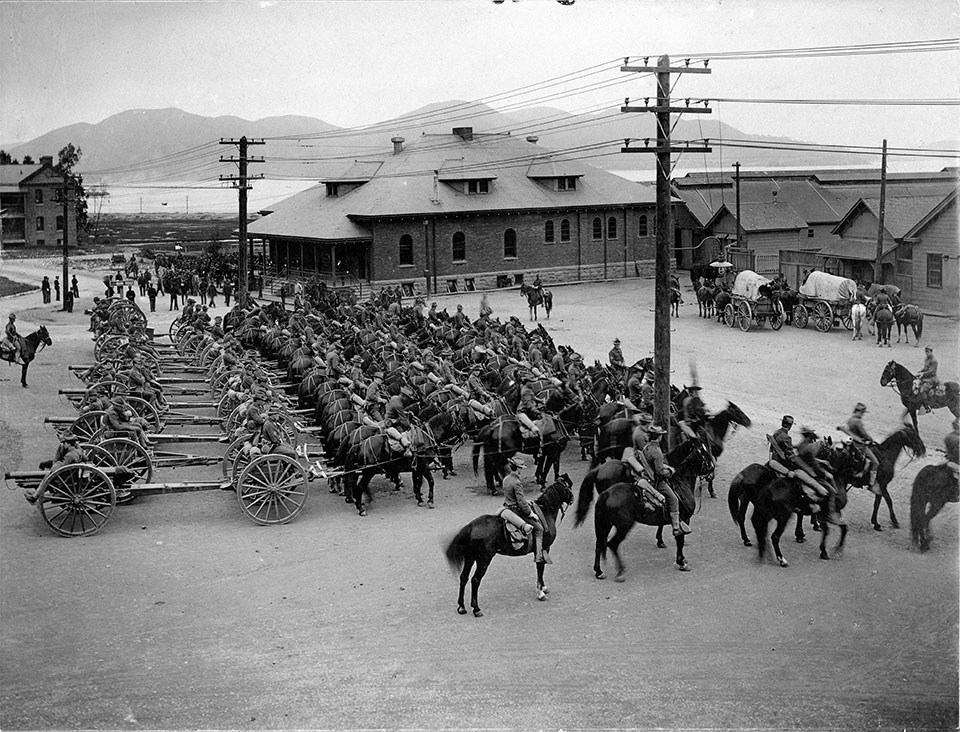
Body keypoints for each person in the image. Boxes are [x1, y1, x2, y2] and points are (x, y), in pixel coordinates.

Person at [768, 416, 830, 511]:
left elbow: (784, 447)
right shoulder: (787, 437)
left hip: (774, 459)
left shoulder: (777, 432)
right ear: (790, 425)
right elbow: (790, 456)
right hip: (782, 462)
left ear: (782, 423)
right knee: (803, 478)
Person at [642, 425, 691, 536]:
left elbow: (652, 464)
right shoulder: (657, 451)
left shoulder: (647, 447)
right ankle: (676, 528)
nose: (662, 437)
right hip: (656, 482)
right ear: (659, 436)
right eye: (661, 435)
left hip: (645, 477)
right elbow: (660, 472)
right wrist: (671, 471)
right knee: (674, 499)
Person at [500, 456, 549, 563]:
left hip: (507, 507)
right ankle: (539, 556)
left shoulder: (506, 479)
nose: (521, 470)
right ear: (517, 468)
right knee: (539, 529)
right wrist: (531, 514)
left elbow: (513, 497)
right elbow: (521, 503)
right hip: (516, 510)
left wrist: (526, 501)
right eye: (521, 468)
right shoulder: (517, 482)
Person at [796, 426, 842, 524]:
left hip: (799, 469)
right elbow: (814, 464)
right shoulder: (811, 448)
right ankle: (829, 515)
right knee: (831, 491)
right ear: (810, 437)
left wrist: (823, 462)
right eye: (813, 437)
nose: (814, 439)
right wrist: (825, 472)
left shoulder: (802, 445)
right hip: (809, 472)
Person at [845, 402, 880, 494]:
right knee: (875, 462)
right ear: (860, 412)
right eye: (862, 413)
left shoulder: (850, 420)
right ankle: (871, 484)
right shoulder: (858, 422)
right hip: (860, 446)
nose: (862, 415)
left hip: (851, 444)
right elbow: (864, 434)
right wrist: (870, 439)